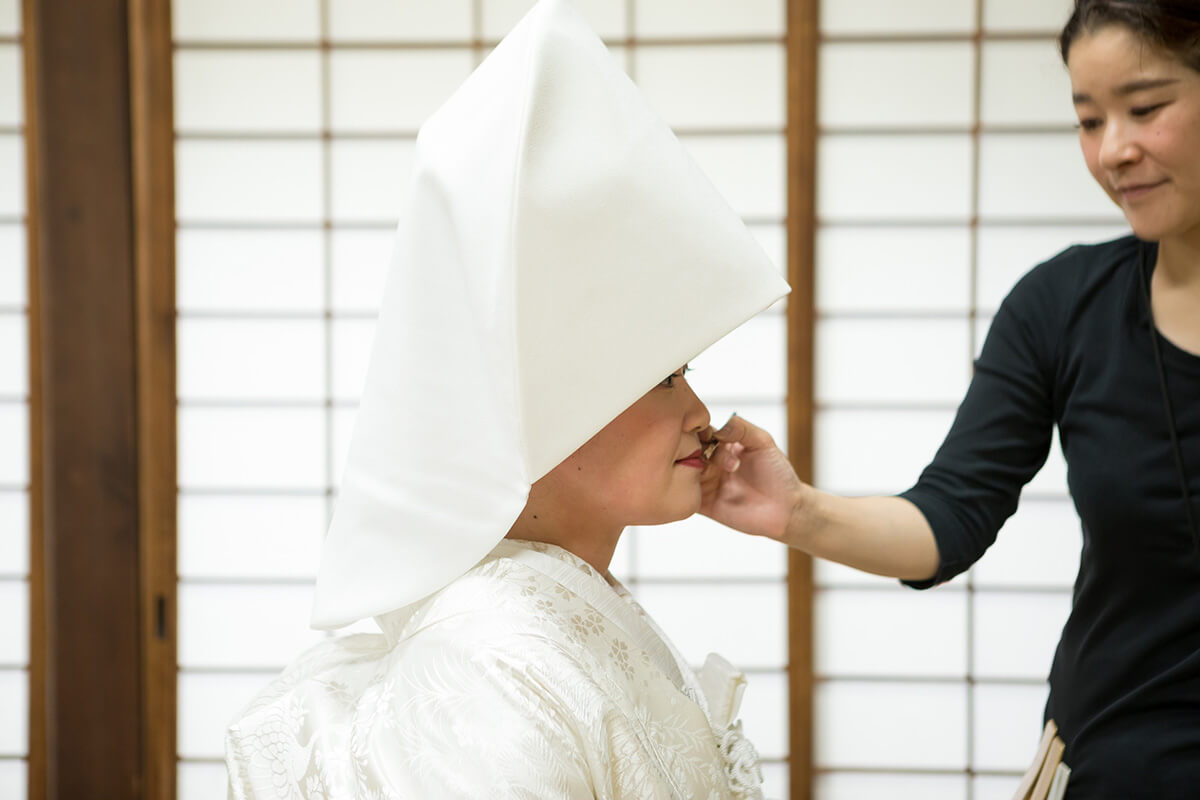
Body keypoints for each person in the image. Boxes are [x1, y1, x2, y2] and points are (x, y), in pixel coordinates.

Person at [224, 1, 789, 798]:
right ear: (544, 410)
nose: (700, 413)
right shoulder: (486, 661)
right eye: (665, 377)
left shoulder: (556, 616)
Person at [701, 1, 1200, 796]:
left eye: (1145, 109)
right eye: (1087, 119)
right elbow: (950, 517)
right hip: (1113, 765)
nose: (1114, 151)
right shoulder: (1061, 307)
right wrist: (799, 512)